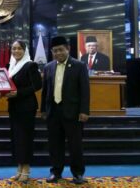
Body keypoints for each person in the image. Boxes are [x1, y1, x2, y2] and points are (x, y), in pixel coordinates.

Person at [41, 36, 90, 185]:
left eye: (61, 50)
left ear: (68, 49)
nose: (58, 53)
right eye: (55, 51)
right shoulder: (48, 67)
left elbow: (85, 91)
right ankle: (56, 172)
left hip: (73, 113)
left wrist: (84, 111)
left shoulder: (79, 66)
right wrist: (43, 109)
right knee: (55, 145)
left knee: (75, 145)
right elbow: (45, 91)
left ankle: (78, 174)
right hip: (53, 112)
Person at [5, 40, 42, 181]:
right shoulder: (10, 66)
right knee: (17, 138)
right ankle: (19, 168)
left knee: (25, 138)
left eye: (19, 48)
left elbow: (38, 85)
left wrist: (18, 93)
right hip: (13, 107)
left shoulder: (30, 65)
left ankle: (26, 168)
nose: (16, 51)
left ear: (24, 50)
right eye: (13, 49)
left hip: (27, 107)